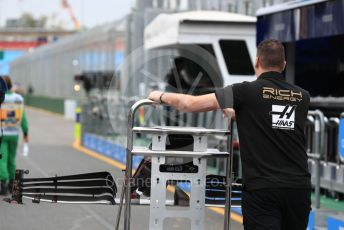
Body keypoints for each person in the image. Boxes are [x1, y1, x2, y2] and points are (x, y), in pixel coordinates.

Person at [148, 39, 311, 230]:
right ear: (283, 65)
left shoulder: (244, 91)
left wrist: (159, 95)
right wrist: (240, 113)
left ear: (256, 62)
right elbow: (275, 119)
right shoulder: (302, 96)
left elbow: (190, 104)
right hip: (299, 188)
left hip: (263, 188)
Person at [0, 76, 29, 195]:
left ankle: (3, 185)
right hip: (15, 133)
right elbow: (23, 119)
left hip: (2, 133)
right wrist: (26, 133)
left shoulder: (2, 97)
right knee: (12, 159)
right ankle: (13, 184)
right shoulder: (19, 98)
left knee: (2, 159)